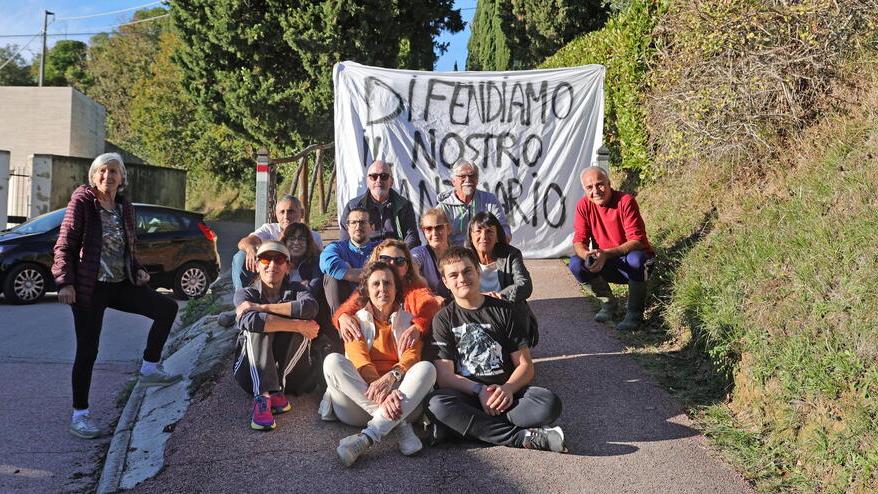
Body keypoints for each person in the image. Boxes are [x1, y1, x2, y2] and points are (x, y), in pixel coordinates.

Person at [52, 152, 181, 439]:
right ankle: (80, 416)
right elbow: (64, 245)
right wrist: (65, 283)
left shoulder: (124, 206)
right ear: (93, 175)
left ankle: (149, 369)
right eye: (102, 171)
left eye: (113, 172)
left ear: (122, 178)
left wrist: (139, 271)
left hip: (121, 283)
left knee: (166, 309)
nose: (107, 176)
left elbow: (128, 248)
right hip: (90, 287)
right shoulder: (82, 203)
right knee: (88, 351)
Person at [425, 247, 566, 453]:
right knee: (436, 404)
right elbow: (445, 377)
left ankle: (462, 428)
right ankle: (521, 437)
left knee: (548, 403)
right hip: (468, 395)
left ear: (478, 271)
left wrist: (508, 389)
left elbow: (525, 366)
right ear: (445, 282)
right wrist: (480, 390)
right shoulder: (443, 319)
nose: (462, 278)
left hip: (506, 395)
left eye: (467, 271)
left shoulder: (505, 311)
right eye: (453, 275)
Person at [322, 262, 437, 467]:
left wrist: (391, 379)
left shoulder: (410, 321)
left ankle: (368, 437)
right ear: (366, 289)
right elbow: (359, 361)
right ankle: (399, 426)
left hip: (401, 397)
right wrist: (381, 390)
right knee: (332, 361)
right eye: (376, 284)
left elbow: (411, 358)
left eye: (387, 283)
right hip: (360, 401)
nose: (382, 289)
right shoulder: (354, 320)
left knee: (427, 368)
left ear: (396, 288)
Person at [233, 240, 321, 431]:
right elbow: (248, 321)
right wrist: (296, 325)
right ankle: (264, 396)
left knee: (303, 324)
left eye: (279, 259)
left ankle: (274, 390)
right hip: (250, 375)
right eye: (265, 259)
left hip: (293, 376)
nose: (272, 265)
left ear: (287, 267)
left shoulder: (297, 289)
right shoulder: (245, 294)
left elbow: (309, 307)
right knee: (258, 327)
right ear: (257, 265)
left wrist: (261, 307)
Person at [569, 166, 654, 331]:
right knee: (576, 263)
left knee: (637, 259)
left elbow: (637, 241)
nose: (596, 191)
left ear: (609, 183)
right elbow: (578, 241)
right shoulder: (583, 206)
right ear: (585, 190)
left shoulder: (625, 201)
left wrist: (606, 254)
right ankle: (608, 304)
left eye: (600, 184)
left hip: (633, 263)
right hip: (606, 262)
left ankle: (634, 315)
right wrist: (587, 254)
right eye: (589, 187)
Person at [333, 239, 441, 352]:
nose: (391, 264)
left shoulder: (414, 289)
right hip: (370, 351)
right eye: (385, 259)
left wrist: (418, 327)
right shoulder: (368, 289)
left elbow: (431, 305)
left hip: (404, 351)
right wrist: (342, 317)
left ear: (407, 267)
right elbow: (346, 309)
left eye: (399, 261)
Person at [465, 211, 539, 346]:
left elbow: (525, 285)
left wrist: (497, 297)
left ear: (498, 235)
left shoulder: (511, 255)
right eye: (478, 231)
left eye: (489, 231)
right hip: (475, 313)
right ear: (470, 235)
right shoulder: (464, 258)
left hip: (505, 312)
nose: (484, 236)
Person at [232, 195, 322, 291]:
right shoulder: (269, 230)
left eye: (290, 211)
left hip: (302, 283)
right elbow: (244, 242)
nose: (286, 216)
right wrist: (250, 248)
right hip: (270, 278)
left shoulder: (313, 236)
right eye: (282, 212)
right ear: (276, 215)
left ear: (302, 213)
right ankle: (244, 298)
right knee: (241, 256)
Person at [338, 159, 420, 249]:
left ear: (391, 182)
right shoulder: (353, 206)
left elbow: (412, 237)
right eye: (373, 176)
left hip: (394, 257)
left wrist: (400, 255)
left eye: (384, 176)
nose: (378, 180)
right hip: (363, 257)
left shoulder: (404, 205)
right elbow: (344, 240)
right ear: (367, 182)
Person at [437, 159, 511, 246]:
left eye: (472, 176)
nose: (468, 180)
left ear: (477, 180)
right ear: (453, 181)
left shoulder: (489, 200)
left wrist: (489, 242)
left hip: (483, 253)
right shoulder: (444, 206)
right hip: (455, 255)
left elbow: (505, 232)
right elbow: (436, 238)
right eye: (462, 176)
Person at [320, 207, 376, 315]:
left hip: (374, 303)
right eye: (353, 222)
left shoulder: (380, 248)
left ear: (372, 227)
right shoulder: (337, 247)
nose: (358, 226)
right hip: (344, 305)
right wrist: (367, 275)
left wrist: (347, 273)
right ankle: (340, 321)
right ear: (347, 227)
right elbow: (327, 262)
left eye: (363, 222)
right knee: (330, 277)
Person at [410, 207, 453, 301]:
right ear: (423, 232)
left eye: (439, 227)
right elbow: (410, 267)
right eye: (429, 229)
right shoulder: (420, 253)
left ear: (448, 229)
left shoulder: (458, 254)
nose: (434, 233)